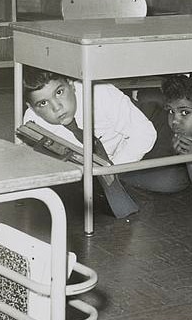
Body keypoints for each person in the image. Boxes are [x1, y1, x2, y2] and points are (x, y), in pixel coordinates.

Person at [22, 66, 156, 218]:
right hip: (93, 168)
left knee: (171, 180)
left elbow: (144, 133)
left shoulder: (100, 93)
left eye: (59, 92)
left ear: (71, 84)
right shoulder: (32, 123)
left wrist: (111, 170)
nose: (57, 107)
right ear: (32, 108)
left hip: (137, 133)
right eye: (43, 103)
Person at [129, 73, 192, 192]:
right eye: (171, 111)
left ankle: (116, 173)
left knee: (174, 180)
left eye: (185, 113)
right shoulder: (166, 122)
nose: (175, 120)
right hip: (146, 136)